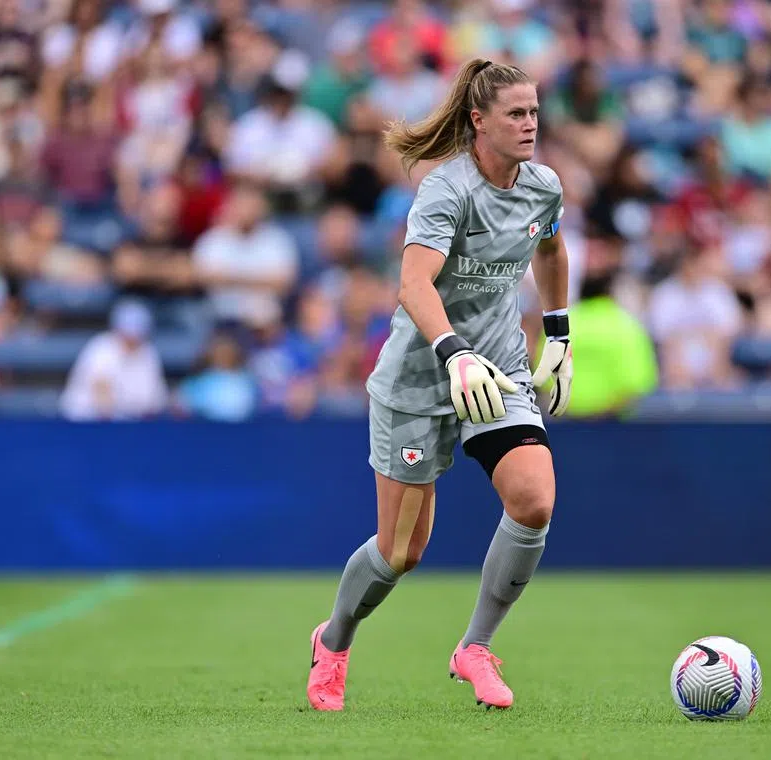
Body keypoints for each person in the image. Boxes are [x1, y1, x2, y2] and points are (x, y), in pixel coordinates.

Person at [306, 58, 572, 712]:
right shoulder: (447, 191)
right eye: (516, 113)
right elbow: (413, 284)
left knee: (534, 499)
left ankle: (475, 647)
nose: (530, 124)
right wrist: (454, 353)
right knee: (401, 552)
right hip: (422, 380)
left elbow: (550, 249)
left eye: (534, 112)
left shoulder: (543, 187)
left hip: (498, 372)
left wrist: (559, 332)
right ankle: (333, 640)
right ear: (479, 121)